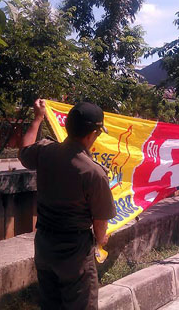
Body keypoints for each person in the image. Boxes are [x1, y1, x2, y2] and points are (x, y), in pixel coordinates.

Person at [18, 99, 116, 309]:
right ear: (93, 134)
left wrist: (38, 118)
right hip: (75, 254)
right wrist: (101, 239)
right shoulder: (93, 172)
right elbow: (100, 221)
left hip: (44, 246)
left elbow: (24, 150)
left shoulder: (45, 151)